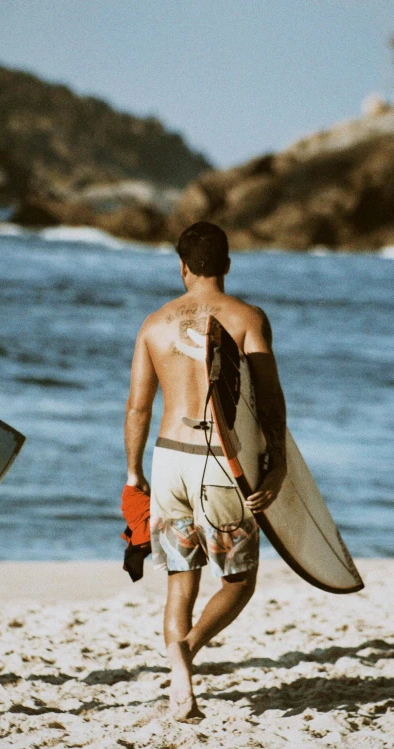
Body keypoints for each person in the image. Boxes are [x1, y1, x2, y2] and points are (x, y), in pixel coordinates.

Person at [124, 221, 287, 721]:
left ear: (182, 266)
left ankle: (181, 681)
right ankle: (187, 649)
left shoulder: (154, 324)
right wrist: (276, 461)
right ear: (228, 264)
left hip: (169, 457)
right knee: (240, 581)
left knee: (181, 577)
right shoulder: (247, 318)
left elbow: (137, 409)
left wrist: (134, 474)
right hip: (222, 464)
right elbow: (268, 398)